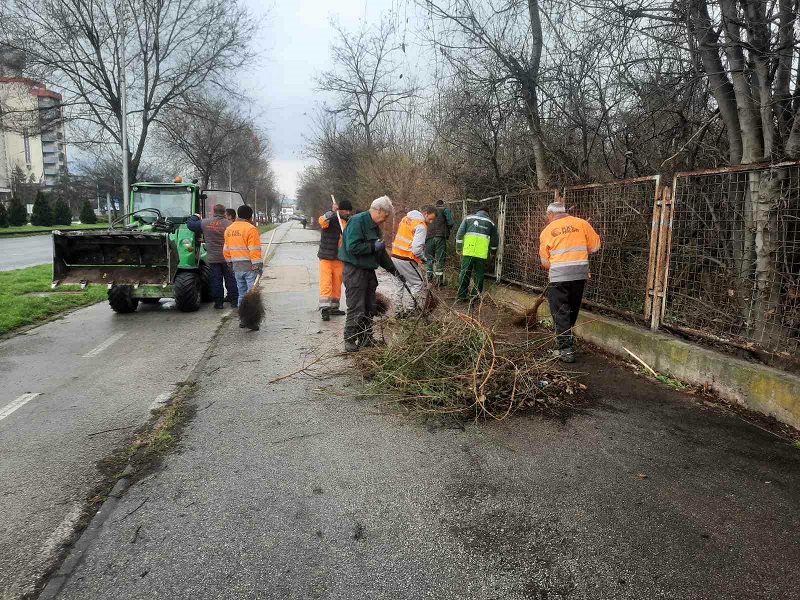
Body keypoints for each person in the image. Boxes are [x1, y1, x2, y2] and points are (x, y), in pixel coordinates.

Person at [339, 195, 404, 352]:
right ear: (379, 210)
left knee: (369, 306)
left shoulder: (375, 227)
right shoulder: (357, 221)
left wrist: (394, 270)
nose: (385, 220)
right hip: (354, 271)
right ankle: (349, 339)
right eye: (386, 216)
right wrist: (371, 247)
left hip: (368, 271)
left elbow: (380, 254)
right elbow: (352, 247)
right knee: (356, 307)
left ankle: (366, 338)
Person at [538, 202, 601, 363]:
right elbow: (595, 247)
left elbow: (545, 261)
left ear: (550, 214)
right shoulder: (582, 224)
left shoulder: (547, 231)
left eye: (547, 216)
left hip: (559, 277)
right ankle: (564, 342)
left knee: (560, 312)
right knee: (572, 309)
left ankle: (565, 349)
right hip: (579, 275)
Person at [187, 204, 237, 309]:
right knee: (230, 279)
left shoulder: (205, 223)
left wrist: (195, 216)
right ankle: (234, 301)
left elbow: (190, 225)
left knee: (216, 280)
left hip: (213, 258)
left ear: (214, 212)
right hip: (228, 257)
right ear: (224, 213)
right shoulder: (230, 224)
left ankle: (218, 303)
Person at [390, 205, 437, 316]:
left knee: (398, 284)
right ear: (425, 214)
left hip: (395, 256)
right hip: (407, 258)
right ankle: (411, 310)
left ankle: (398, 312)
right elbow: (416, 249)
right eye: (430, 218)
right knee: (417, 284)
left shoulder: (406, 219)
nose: (430, 222)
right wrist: (423, 259)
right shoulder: (421, 226)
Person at [223, 205, 263, 327]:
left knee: (241, 294)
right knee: (251, 295)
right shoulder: (251, 229)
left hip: (236, 267)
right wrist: (258, 266)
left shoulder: (229, 229)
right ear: (250, 216)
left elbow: (226, 249)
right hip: (249, 267)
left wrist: (230, 263)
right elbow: (254, 250)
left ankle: (242, 320)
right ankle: (251, 321)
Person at [455, 205, 499, 303]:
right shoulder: (491, 223)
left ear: (478, 211)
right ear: (487, 213)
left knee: (465, 273)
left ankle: (461, 296)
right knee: (479, 274)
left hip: (468, 251)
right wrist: (493, 252)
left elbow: (459, 234)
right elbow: (495, 240)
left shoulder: (468, 218)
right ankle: (475, 297)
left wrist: (458, 247)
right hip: (481, 254)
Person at [318, 199, 353, 321]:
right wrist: (331, 212)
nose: (348, 212)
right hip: (326, 257)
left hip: (339, 258)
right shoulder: (331, 218)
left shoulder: (347, 222)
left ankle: (334, 307)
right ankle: (325, 309)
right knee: (326, 282)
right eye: (346, 210)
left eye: (349, 210)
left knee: (337, 283)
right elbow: (322, 221)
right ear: (339, 209)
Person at [424, 199, 454, 286]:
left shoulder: (429, 212)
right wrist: (447, 229)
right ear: (442, 204)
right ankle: (439, 281)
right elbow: (451, 222)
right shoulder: (445, 210)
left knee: (429, 258)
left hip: (429, 236)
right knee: (440, 259)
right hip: (440, 237)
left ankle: (429, 280)